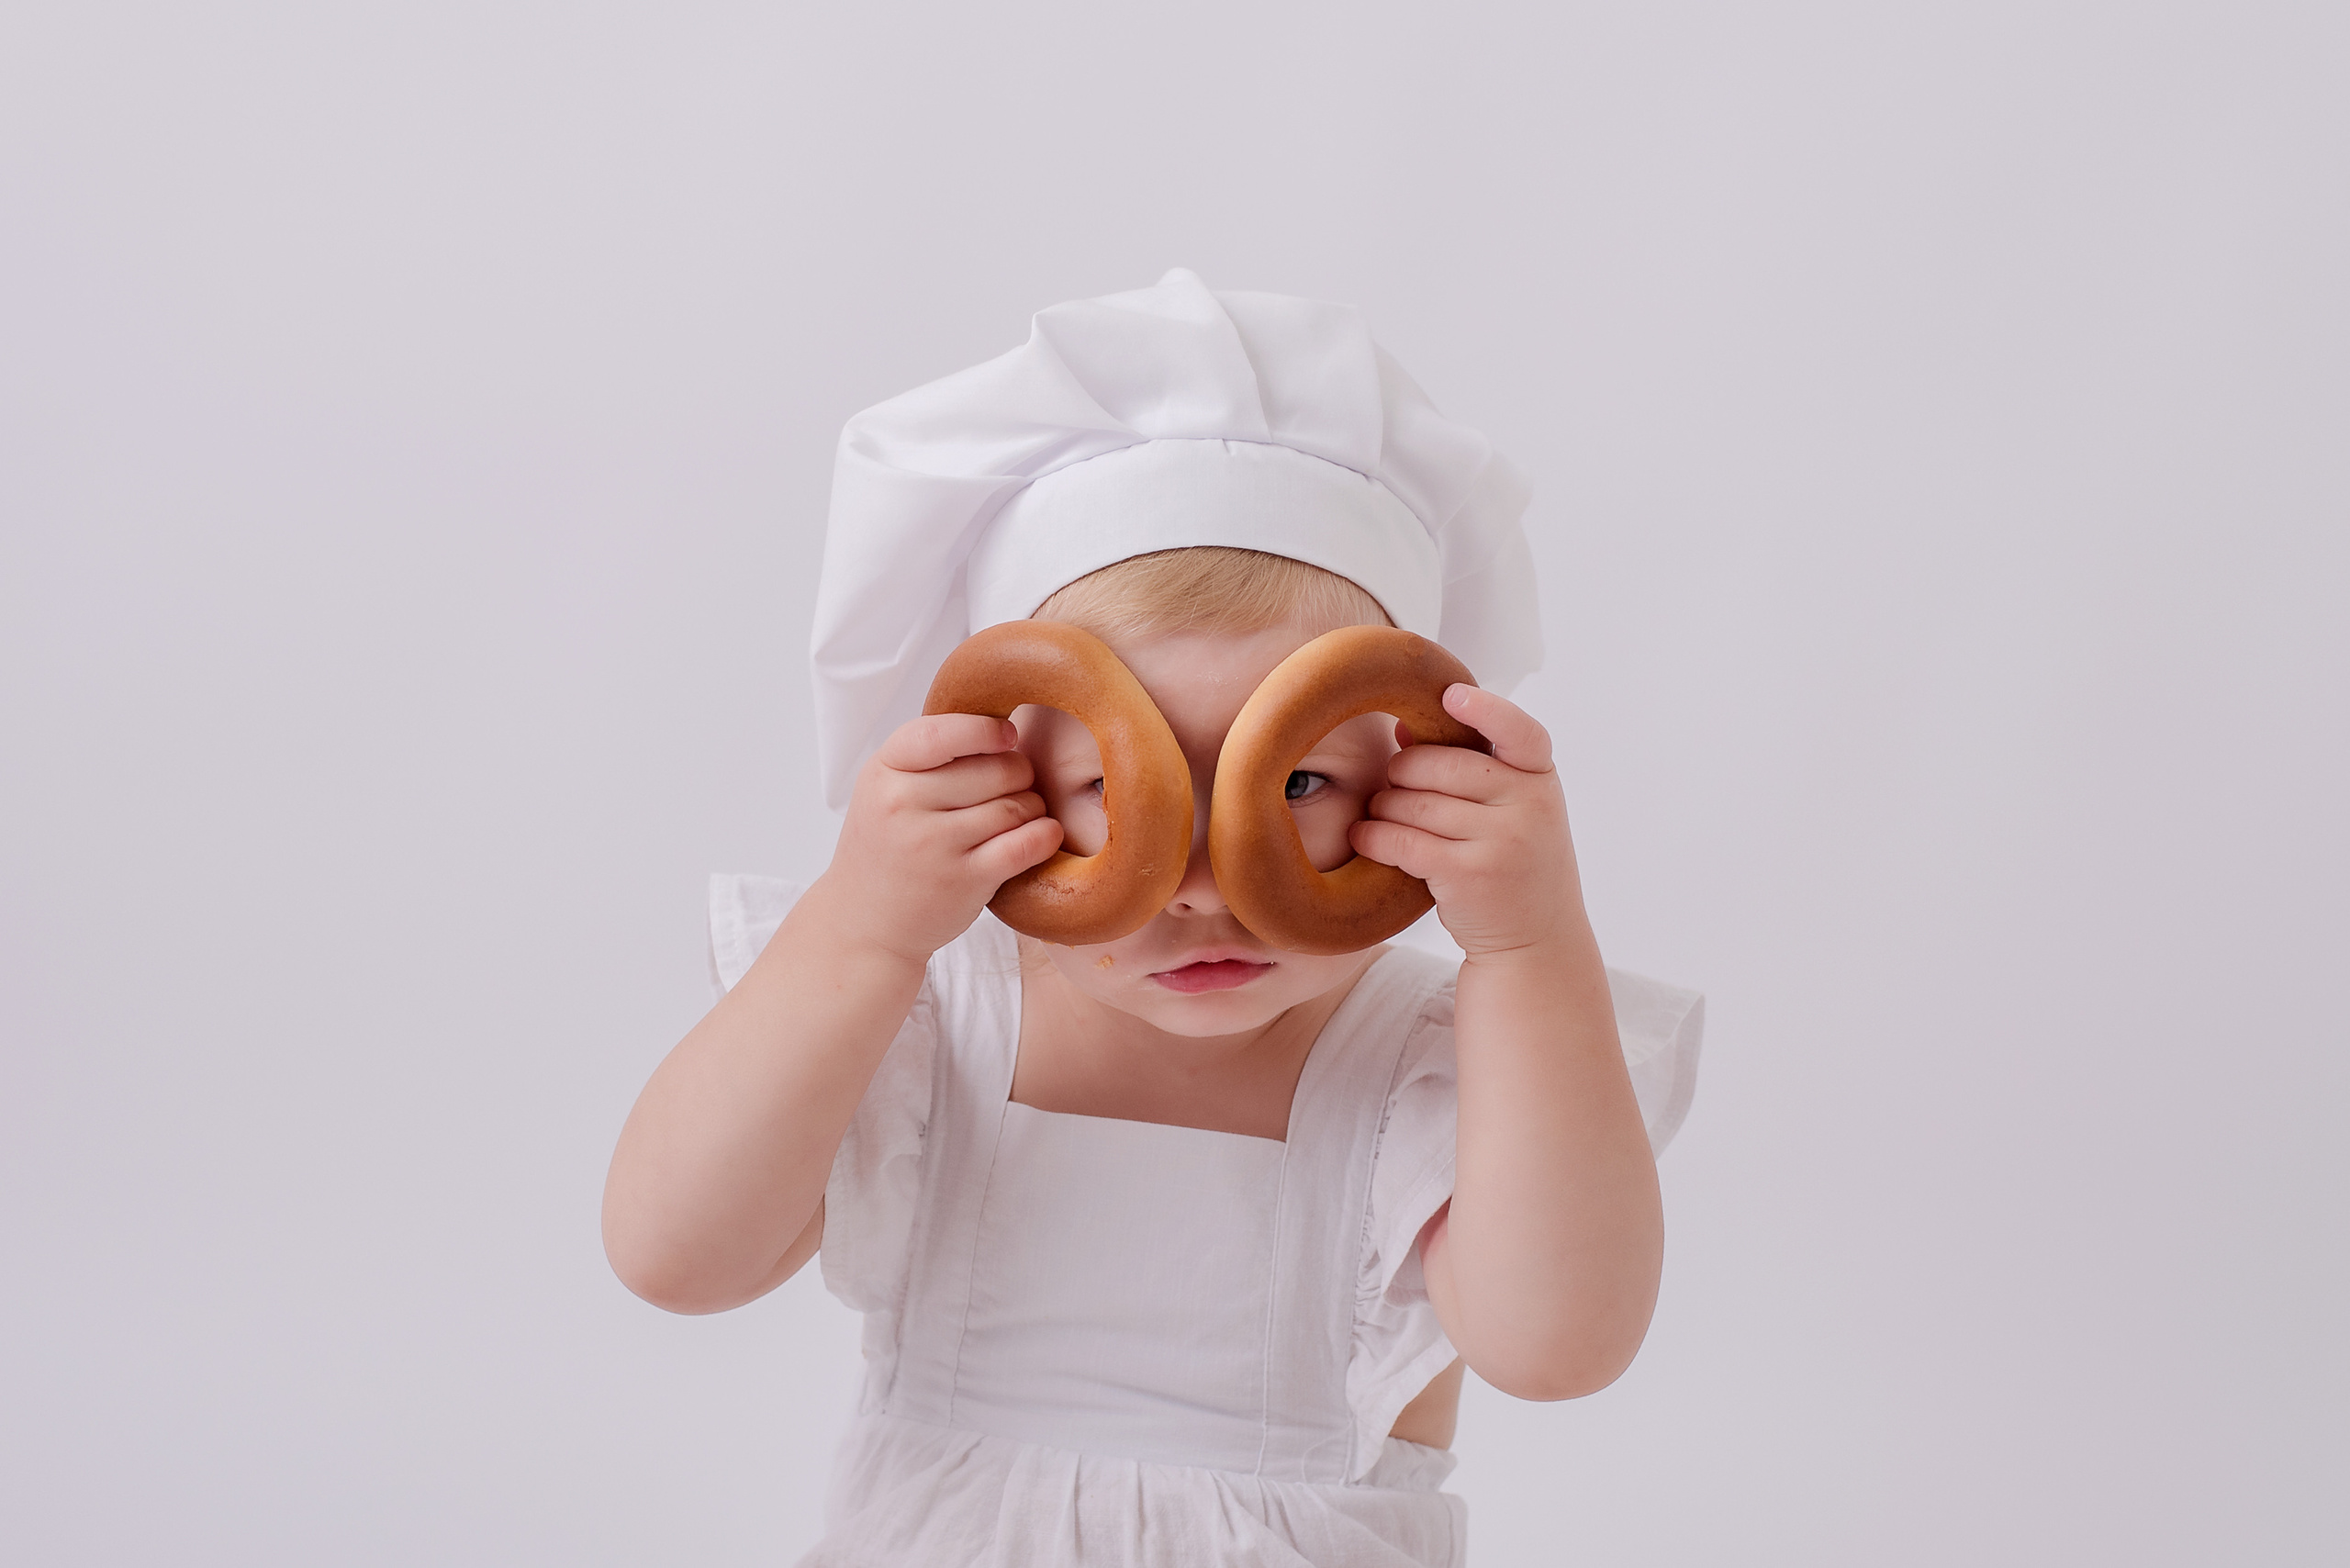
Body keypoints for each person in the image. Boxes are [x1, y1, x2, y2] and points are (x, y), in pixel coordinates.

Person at [601, 271, 1703, 1566]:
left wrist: (1530, 948)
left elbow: (1557, 1343)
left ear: (1403, 773)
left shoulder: (1444, 1064)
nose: (1201, 879)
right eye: (1110, 787)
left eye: (1294, 781)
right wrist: (862, 929)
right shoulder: (930, 1008)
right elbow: (675, 1258)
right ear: (1006, 780)